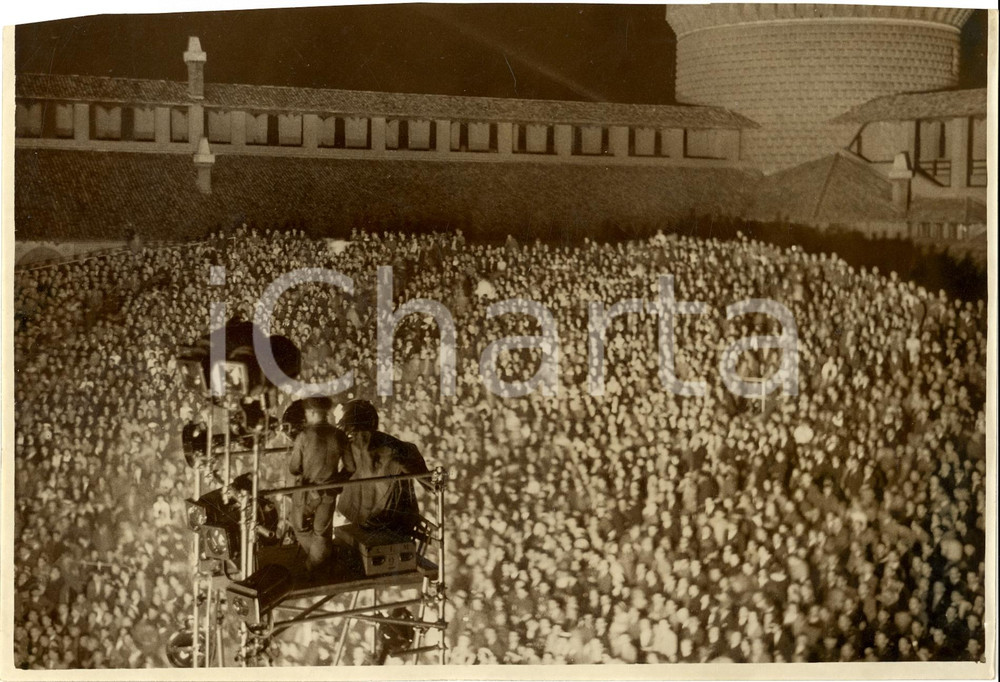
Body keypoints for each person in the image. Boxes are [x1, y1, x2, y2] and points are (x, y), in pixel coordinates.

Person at [334, 399, 428, 536]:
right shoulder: (351, 446)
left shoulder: (393, 449)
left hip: (388, 522)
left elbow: (426, 479)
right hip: (364, 518)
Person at [288, 396, 349, 569]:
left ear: (313, 413)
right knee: (322, 532)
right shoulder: (339, 435)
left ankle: (315, 562)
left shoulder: (304, 436)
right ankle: (320, 558)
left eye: (307, 413)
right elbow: (350, 467)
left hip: (307, 494)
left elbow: (294, 468)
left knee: (299, 527)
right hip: (329, 492)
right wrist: (337, 483)